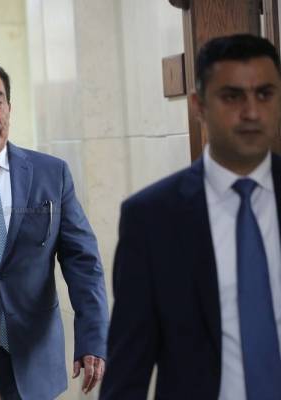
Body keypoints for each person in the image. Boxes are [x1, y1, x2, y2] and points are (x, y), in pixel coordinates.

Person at [100, 34, 281, 400]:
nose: (251, 112)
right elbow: (128, 367)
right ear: (199, 106)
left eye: (264, 94)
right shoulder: (152, 219)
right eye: (232, 96)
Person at [0, 60, 109, 399]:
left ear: (9, 109)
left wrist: (92, 336)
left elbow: (83, 262)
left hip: (31, 360)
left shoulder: (50, 174)